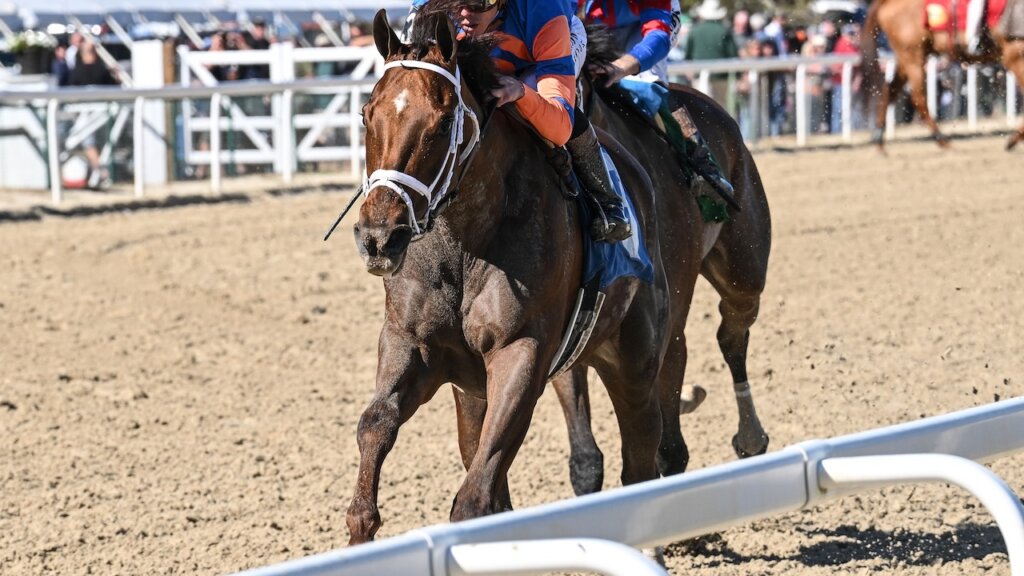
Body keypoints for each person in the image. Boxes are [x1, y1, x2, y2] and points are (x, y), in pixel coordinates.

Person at [412, 0, 632, 242]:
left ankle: (607, 200)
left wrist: (522, 93)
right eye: (459, 2)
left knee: (530, 90)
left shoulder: (544, 10)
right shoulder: (431, 8)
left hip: (546, 36)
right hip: (498, 37)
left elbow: (559, 126)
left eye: (479, 2)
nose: (465, 13)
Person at [580, 0, 735, 202]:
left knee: (647, 86)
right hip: (595, 25)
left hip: (650, 23)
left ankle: (701, 160)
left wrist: (621, 67)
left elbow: (658, 38)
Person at [684, 0, 738, 104]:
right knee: (720, 109)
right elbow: (733, 55)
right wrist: (738, 76)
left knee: (701, 108)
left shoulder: (695, 31)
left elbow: (688, 56)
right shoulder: (724, 31)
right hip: (721, 76)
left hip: (699, 75)